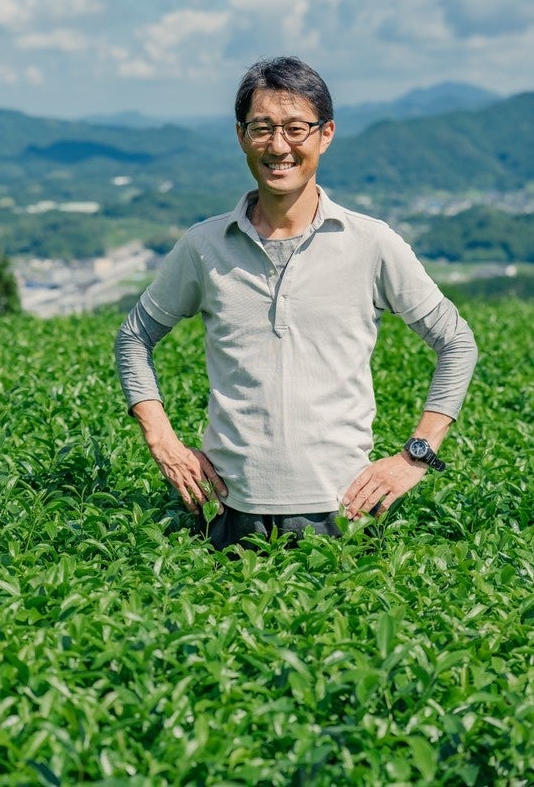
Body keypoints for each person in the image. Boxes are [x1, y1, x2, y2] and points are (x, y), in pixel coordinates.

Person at [115, 57, 478, 551]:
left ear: (325, 134)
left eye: (295, 128)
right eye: (262, 128)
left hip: (344, 510)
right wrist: (162, 440)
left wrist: (416, 454)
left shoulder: (371, 243)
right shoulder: (205, 246)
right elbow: (134, 337)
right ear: (241, 135)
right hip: (227, 510)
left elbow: (456, 342)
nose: (278, 146)